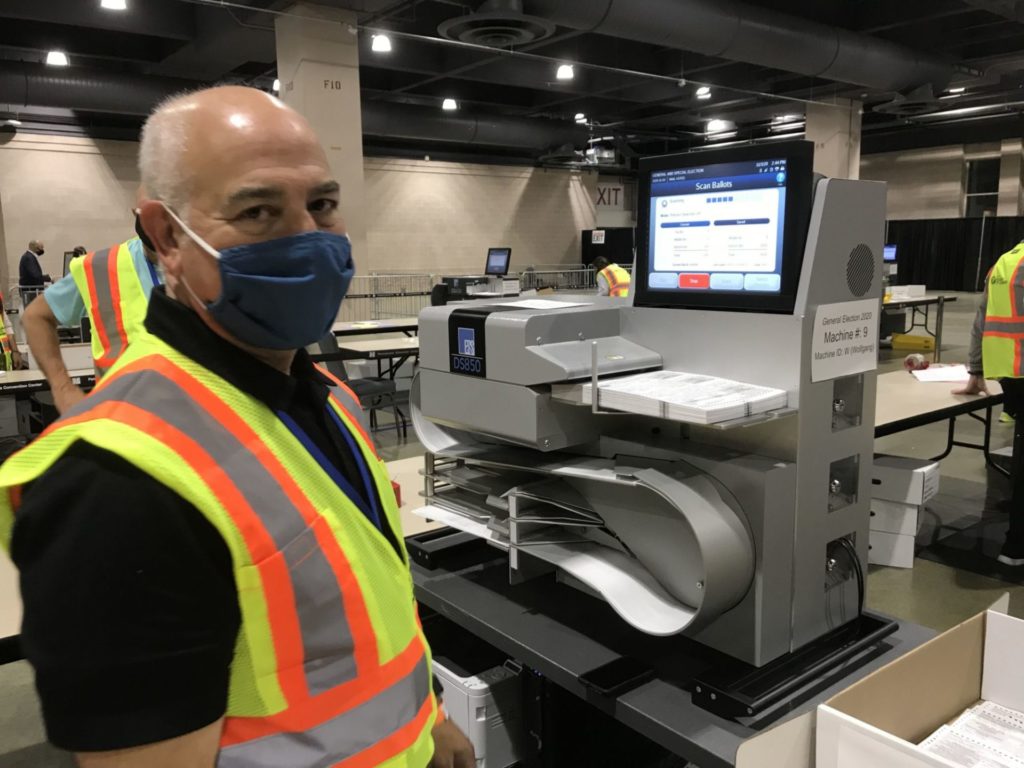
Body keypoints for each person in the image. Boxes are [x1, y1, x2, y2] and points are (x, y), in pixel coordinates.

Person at [0, 86, 474, 767]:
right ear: (165, 237)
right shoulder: (117, 485)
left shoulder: (327, 398)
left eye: (322, 205)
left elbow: (360, 613)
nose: (308, 239)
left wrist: (427, 717)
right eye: (258, 211)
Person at [22, 191, 163, 413]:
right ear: (136, 212)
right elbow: (35, 317)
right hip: (124, 426)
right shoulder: (101, 268)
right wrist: (62, 389)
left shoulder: (213, 262)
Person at [957, 244, 1024, 567]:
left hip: (1010, 374)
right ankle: (1016, 544)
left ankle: (1015, 538)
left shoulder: (1005, 261)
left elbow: (981, 319)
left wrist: (977, 370)